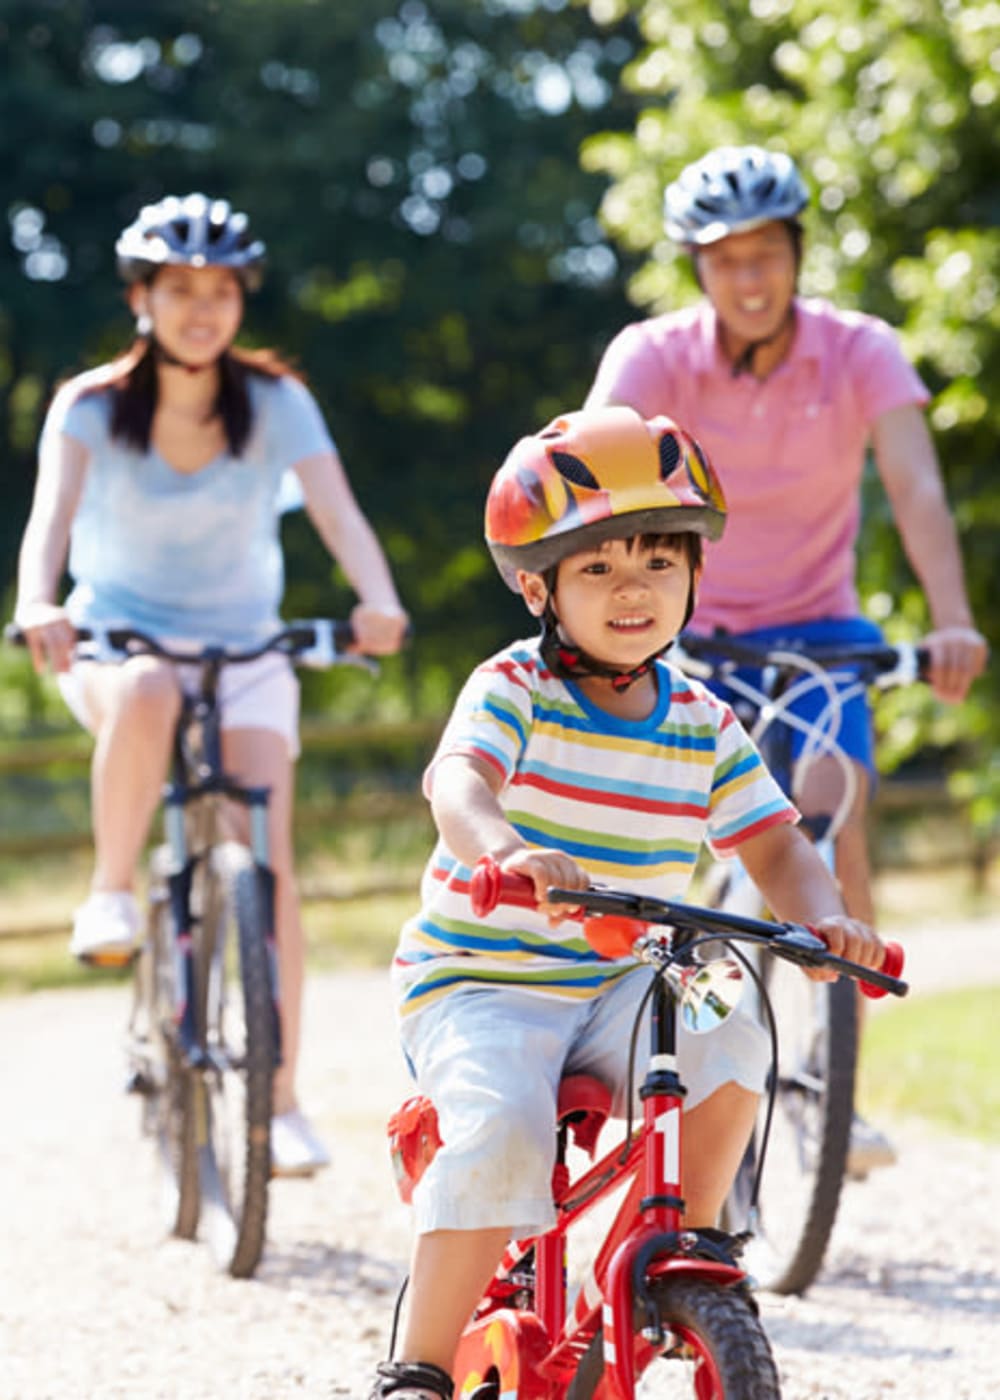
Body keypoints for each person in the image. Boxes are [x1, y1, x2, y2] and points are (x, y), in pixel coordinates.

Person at [369, 405, 887, 1400]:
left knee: (731, 1011)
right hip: (485, 980)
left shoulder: (702, 718)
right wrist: (508, 849)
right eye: (598, 567)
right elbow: (457, 785)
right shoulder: (512, 685)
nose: (632, 588)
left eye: (658, 560)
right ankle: (418, 1364)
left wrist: (824, 916)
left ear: (694, 574)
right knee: (500, 1128)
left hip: (627, 978)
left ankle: (678, 1239)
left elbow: (777, 840)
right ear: (539, 585)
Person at [585, 144, 988, 1175]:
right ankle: (673, 1051)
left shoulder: (859, 351)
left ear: (797, 254)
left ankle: (829, 1082)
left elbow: (916, 492)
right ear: (696, 268)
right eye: (726, 260)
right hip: (689, 631)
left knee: (829, 805)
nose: (750, 278)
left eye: (767, 253)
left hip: (819, 628)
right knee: (675, 844)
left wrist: (949, 617)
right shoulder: (653, 355)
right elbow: (595, 474)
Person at [13, 192, 409, 1176]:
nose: (201, 308)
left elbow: (339, 512)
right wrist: (38, 601)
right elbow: (50, 521)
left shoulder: (276, 402)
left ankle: (279, 1100)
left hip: (245, 649)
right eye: (179, 288)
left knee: (262, 857)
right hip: (118, 640)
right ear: (141, 296)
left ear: (241, 301)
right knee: (146, 691)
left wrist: (378, 597)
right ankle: (109, 892)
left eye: (220, 291)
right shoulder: (92, 406)